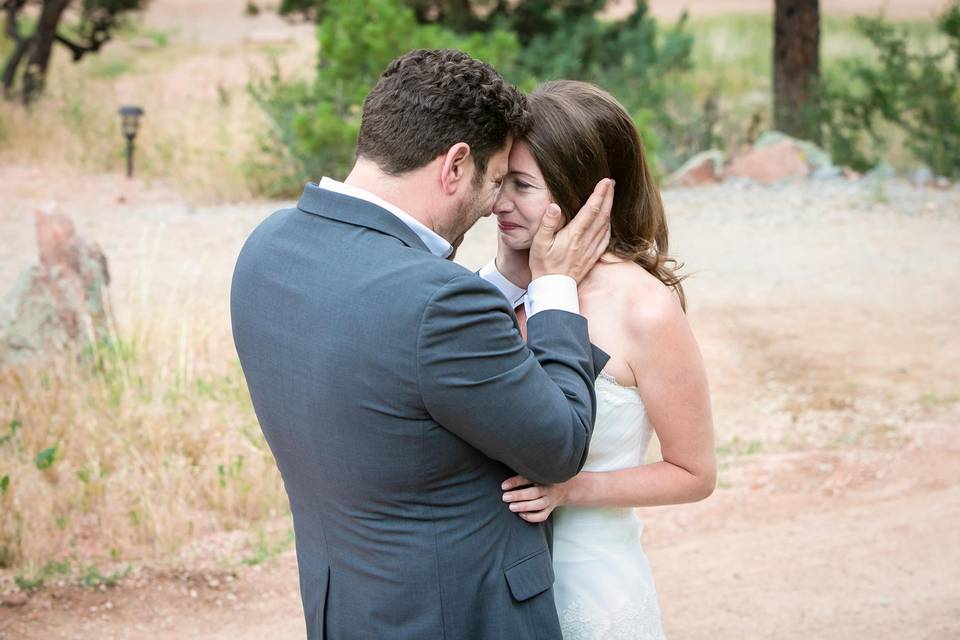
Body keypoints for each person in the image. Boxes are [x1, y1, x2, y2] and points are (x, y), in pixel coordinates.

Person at [231, 51, 614, 639]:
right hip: (456, 618)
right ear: (455, 164)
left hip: (346, 610)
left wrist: (505, 282)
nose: (494, 206)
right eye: (493, 182)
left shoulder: (267, 248)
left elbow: (400, 360)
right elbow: (558, 446)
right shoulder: (438, 301)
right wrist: (554, 286)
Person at [492, 80, 717, 639]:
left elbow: (694, 473)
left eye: (522, 185)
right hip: (497, 594)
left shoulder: (645, 309)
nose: (499, 203)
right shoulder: (507, 287)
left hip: (593, 594)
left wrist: (570, 491)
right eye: (499, 182)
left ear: (583, 190)